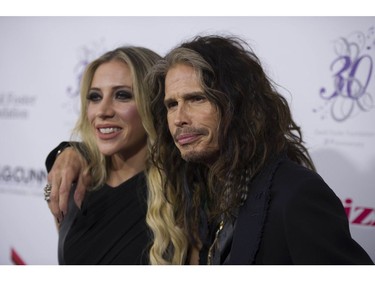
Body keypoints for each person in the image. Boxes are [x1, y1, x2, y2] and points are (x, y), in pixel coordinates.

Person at [45, 35, 374, 265]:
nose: (179, 118)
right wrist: (68, 151)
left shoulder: (294, 193)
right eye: (172, 104)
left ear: (237, 102)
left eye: (196, 99)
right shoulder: (195, 184)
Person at [44, 46, 162, 264]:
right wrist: (67, 150)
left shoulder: (179, 191)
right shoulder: (78, 183)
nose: (103, 111)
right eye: (95, 97)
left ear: (153, 103)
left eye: (122, 95)